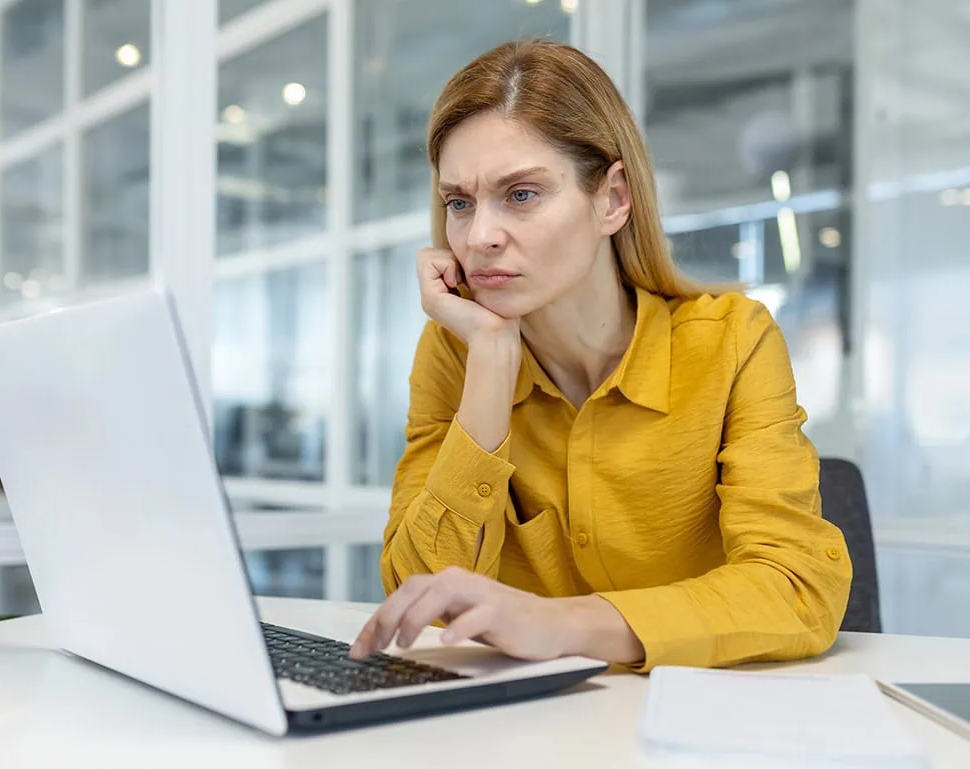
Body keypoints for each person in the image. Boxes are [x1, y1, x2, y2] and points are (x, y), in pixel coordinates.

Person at [350, 39, 853, 671]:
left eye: (522, 194)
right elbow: (418, 593)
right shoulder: (459, 351)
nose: (479, 236)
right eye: (460, 202)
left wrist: (561, 623)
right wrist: (490, 362)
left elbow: (798, 586)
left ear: (612, 198)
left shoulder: (732, 341)